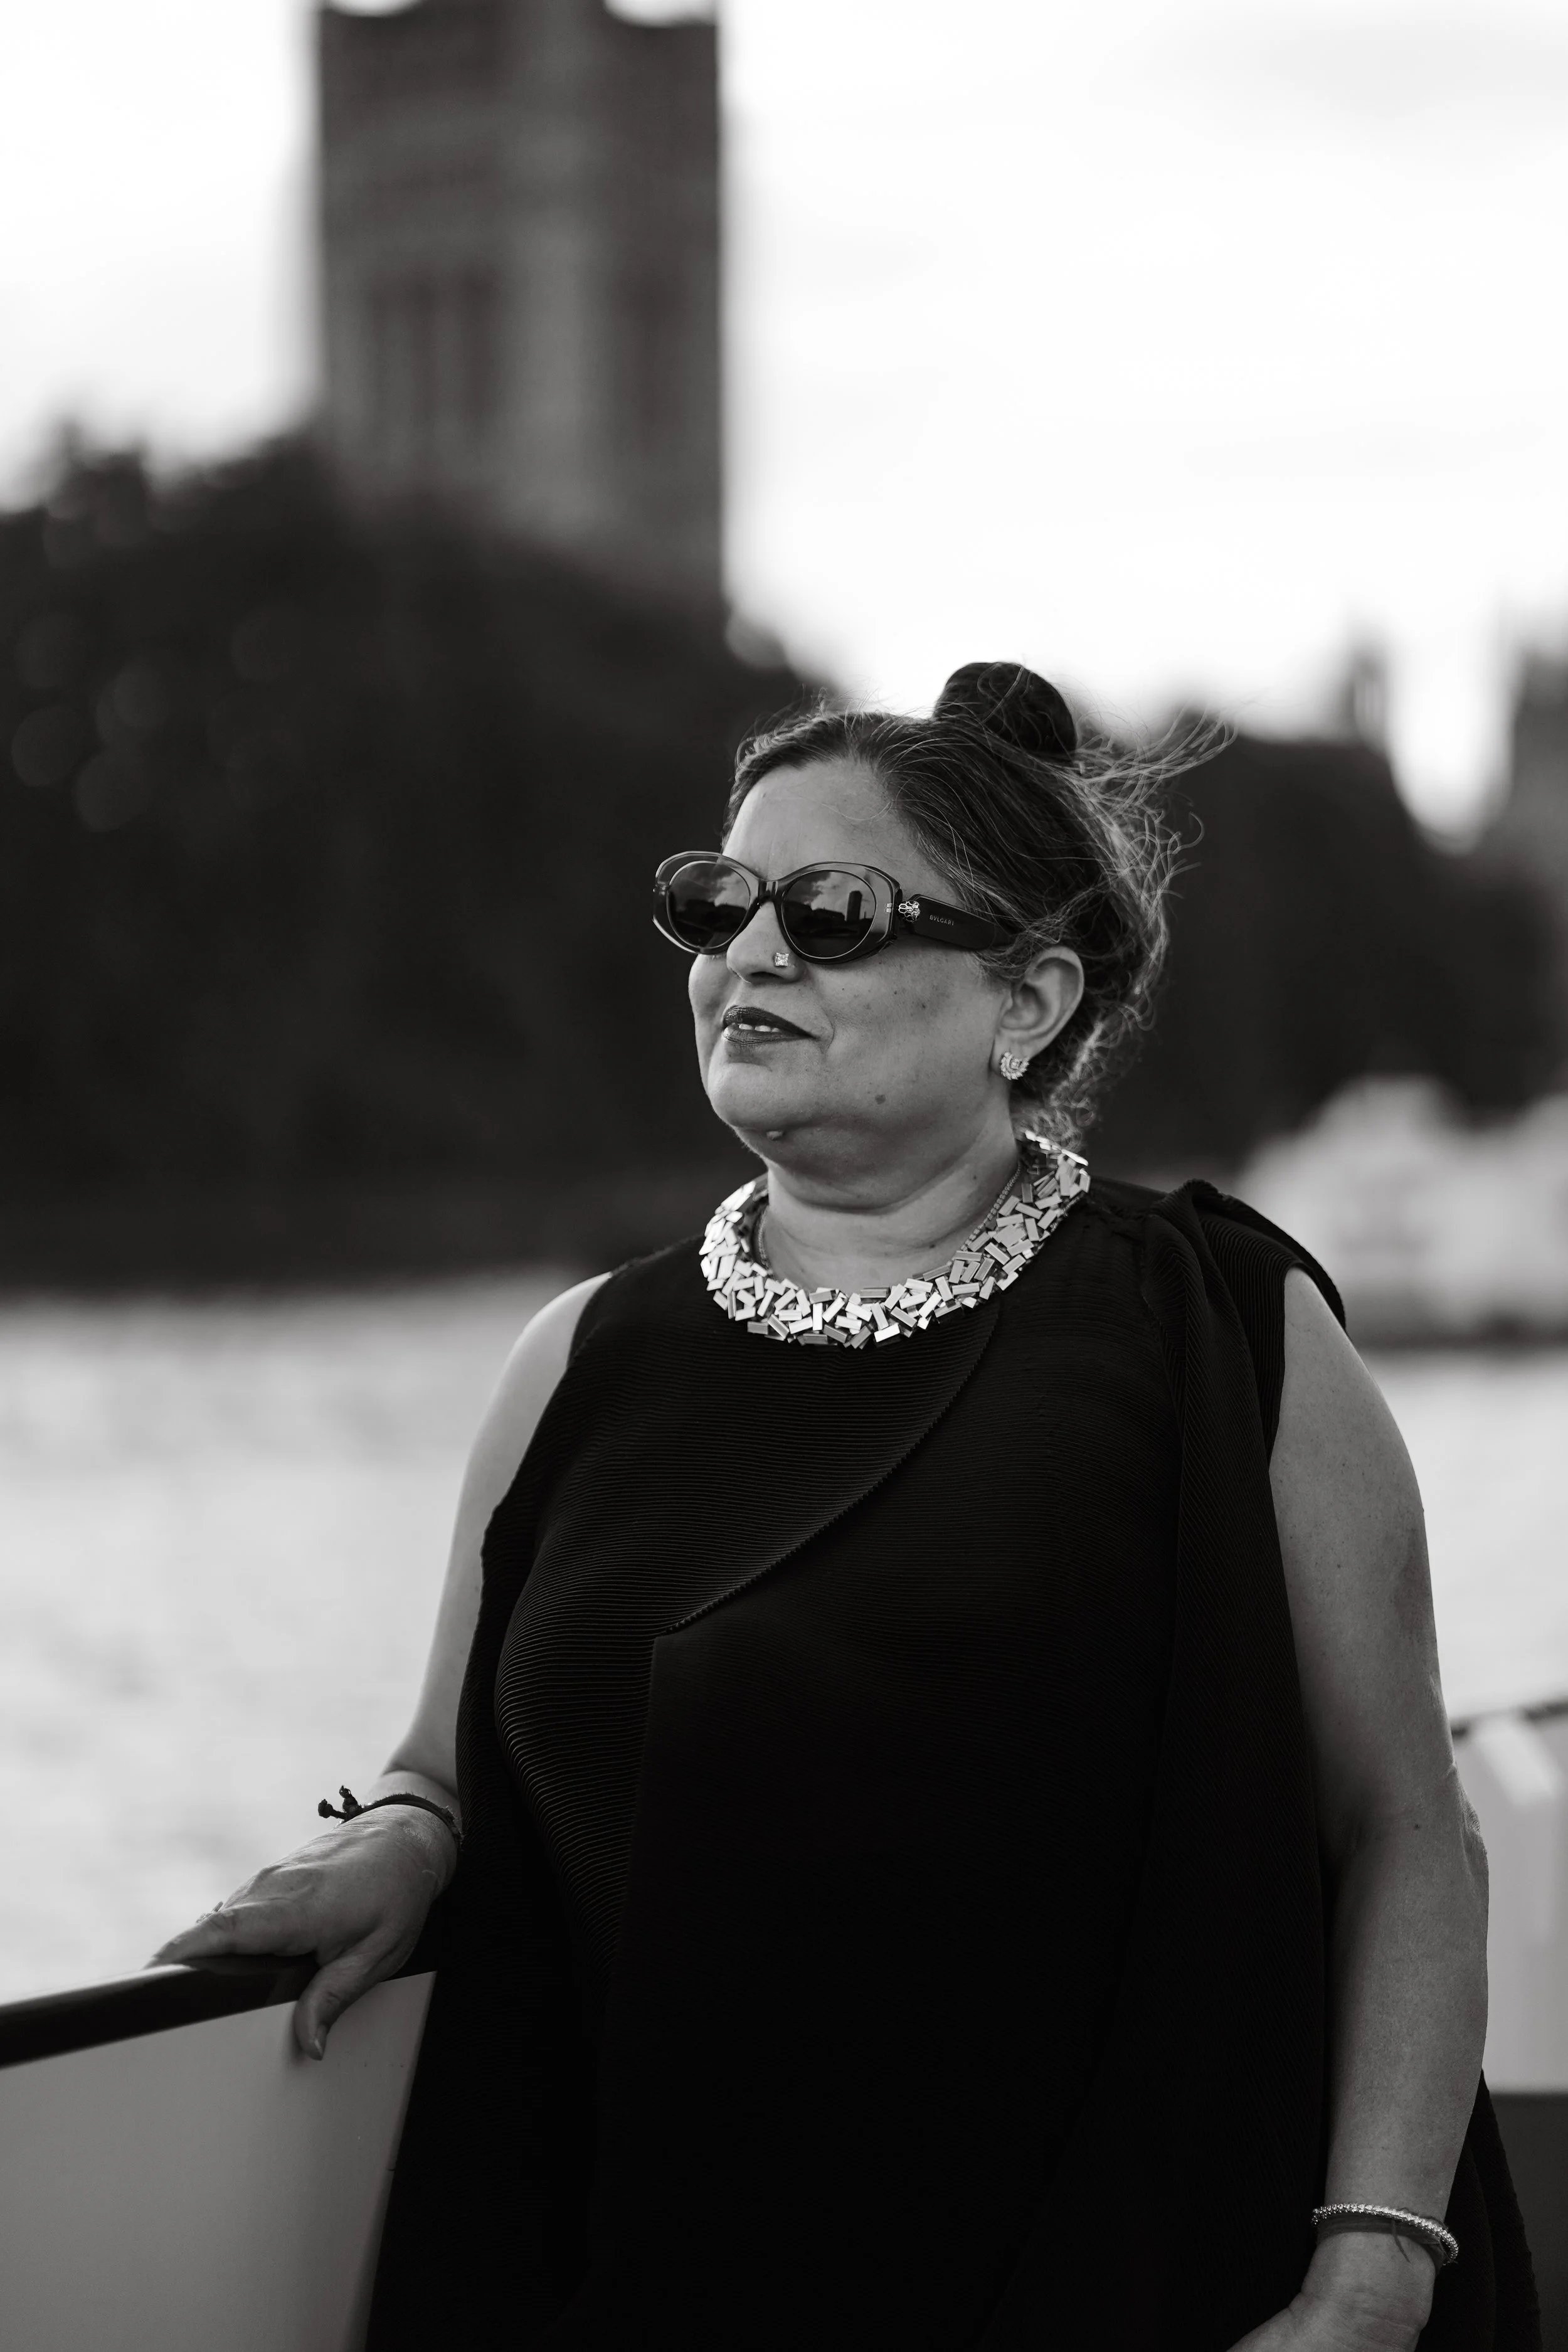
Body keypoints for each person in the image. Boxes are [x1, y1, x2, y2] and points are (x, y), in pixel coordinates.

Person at [156, 663, 1537, 2351]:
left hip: (1123, 2288)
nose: (748, 951)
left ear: (1021, 1001)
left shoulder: (1228, 1331)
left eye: (831, 909)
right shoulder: (577, 1357)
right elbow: (446, 1765)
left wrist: (1366, 2279)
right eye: (715, 901)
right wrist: (401, 1830)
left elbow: (1403, 1830)